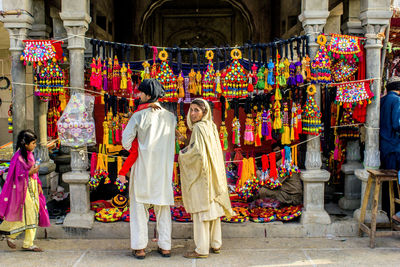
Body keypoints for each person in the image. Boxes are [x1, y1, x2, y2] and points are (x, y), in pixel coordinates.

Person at [121, 79, 176, 259]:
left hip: (142, 167)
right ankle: (165, 246)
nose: (139, 95)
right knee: (163, 209)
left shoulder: (138, 116)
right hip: (163, 170)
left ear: (148, 95)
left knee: (139, 208)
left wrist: (140, 146)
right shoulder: (170, 117)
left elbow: (125, 141)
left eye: (141, 93)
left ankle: (140, 248)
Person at [178, 98, 234, 259]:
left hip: (202, 174)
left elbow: (197, 154)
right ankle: (216, 244)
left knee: (201, 211)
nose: (193, 113)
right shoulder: (211, 126)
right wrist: (184, 140)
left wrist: (182, 155)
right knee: (213, 210)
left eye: (197, 110)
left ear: (204, 112)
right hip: (214, 173)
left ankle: (201, 249)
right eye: (191, 110)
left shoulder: (198, 128)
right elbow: (202, 147)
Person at [0, 130, 50, 252]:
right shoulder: (18, 157)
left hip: (31, 186)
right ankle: (16, 237)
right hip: (22, 189)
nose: (34, 145)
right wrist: (30, 173)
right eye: (33, 143)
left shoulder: (29, 154)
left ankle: (21, 240)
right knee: (28, 214)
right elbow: (15, 174)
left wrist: (38, 183)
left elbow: (33, 172)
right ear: (25, 144)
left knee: (32, 213)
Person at [380, 76, 400, 223]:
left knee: (388, 182)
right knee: (396, 181)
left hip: (384, 146)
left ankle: (388, 210)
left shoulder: (383, 100)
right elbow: (397, 124)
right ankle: (396, 213)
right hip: (395, 147)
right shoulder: (397, 101)